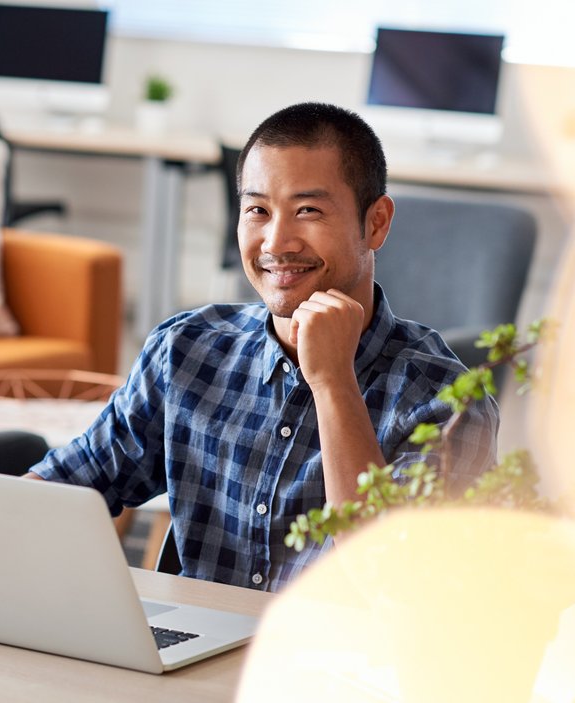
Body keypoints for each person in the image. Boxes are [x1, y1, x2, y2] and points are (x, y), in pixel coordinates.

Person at [26, 103, 499, 591]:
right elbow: (69, 485)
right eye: (258, 211)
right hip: (185, 654)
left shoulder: (449, 401)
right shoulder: (186, 349)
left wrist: (334, 381)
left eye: (308, 211)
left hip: (337, 664)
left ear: (375, 222)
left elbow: (387, 576)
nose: (277, 242)